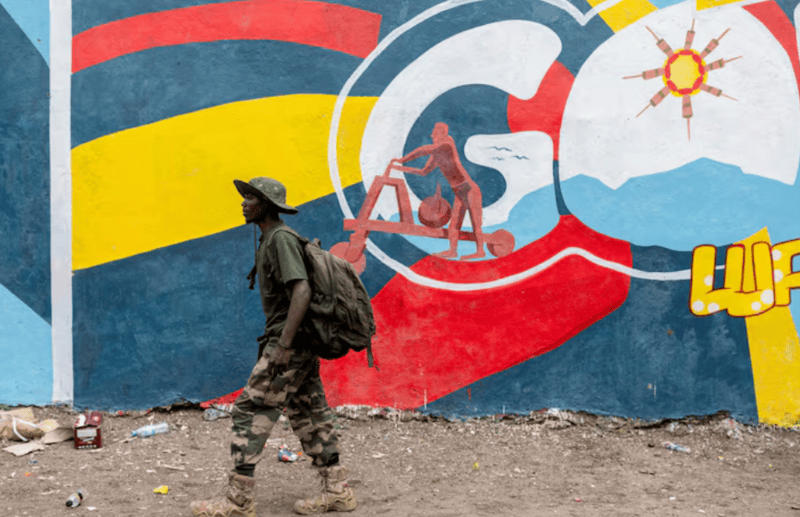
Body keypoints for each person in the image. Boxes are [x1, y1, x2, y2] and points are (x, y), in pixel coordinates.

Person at [190, 177, 356, 516]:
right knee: (309, 411)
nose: (243, 203)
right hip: (300, 344)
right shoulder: (272, 238)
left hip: (289, 344)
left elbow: (302, 291)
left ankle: (238, 502)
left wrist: (283, 345)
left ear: (264, 204)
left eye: (249, 198)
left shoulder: (280, 239)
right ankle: (337, 491)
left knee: (250, 410)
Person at [393, 122, 486, 260]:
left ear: (442, 134)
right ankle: (452, 251)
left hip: (469, 189)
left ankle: (480, 252)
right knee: (454, 225)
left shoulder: (448, 143)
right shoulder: (436, 155)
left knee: (476, 223)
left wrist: (402, 160)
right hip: (459, 192)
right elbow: (423, 172)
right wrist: (401, 168)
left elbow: (423, 150)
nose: (434, 137)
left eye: (436, 134)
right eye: (434, 134)